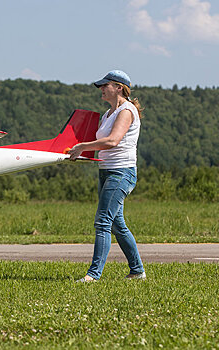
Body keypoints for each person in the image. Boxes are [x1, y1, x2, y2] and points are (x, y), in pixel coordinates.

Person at [68, 70, 146, 282]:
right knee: (116, 223)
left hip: (122, 172)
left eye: (105, 86)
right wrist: (78, 152)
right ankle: (137, 271)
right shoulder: (108, 113)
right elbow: (102, 142)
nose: (101, 89)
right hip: (106, 170)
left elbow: (113, 141)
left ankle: (93, 275)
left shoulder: (127, 111)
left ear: (119, 87)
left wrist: (82, 146)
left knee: (103, 221)